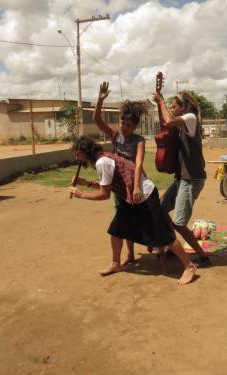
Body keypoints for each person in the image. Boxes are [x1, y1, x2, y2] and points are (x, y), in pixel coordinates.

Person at [68, 136, 197, 285]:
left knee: (163, 233)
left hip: (146, 196)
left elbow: (105, 194)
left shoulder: (102, 162)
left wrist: (80, 194)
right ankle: (116, 263)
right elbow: (110, 185)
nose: (76, 157)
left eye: (78, 154)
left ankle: (189, 266)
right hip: (130, 198)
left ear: (86, 152)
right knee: (116, 229)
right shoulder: (103, 158)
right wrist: (87, 183)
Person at [153, 90, 210, 266]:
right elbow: (166, 122)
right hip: (182, 178)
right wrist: (159, 104)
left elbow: (168, 120)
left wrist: (161, 100)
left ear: (184, 108)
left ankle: (202, 256)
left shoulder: (191, 118)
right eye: (170, 105)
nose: (171, 108)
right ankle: (172, 246)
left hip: (192, 179)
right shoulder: (182, 123)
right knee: (161, 210)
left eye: (174, 105)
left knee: (178, 223)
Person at [93, 81, 147, 266]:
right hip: (120, 188)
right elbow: (97, 120)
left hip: (136, 185)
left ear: (135, 126)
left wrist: (137, 186)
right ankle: (130, 255)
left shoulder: (139, 140)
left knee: (147, 217)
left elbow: (139, 163)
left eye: (129, 125)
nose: (124, 127)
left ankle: (161, 247)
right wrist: (100, 100)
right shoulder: (116, 136)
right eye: (123, 123)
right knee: (124, 221)